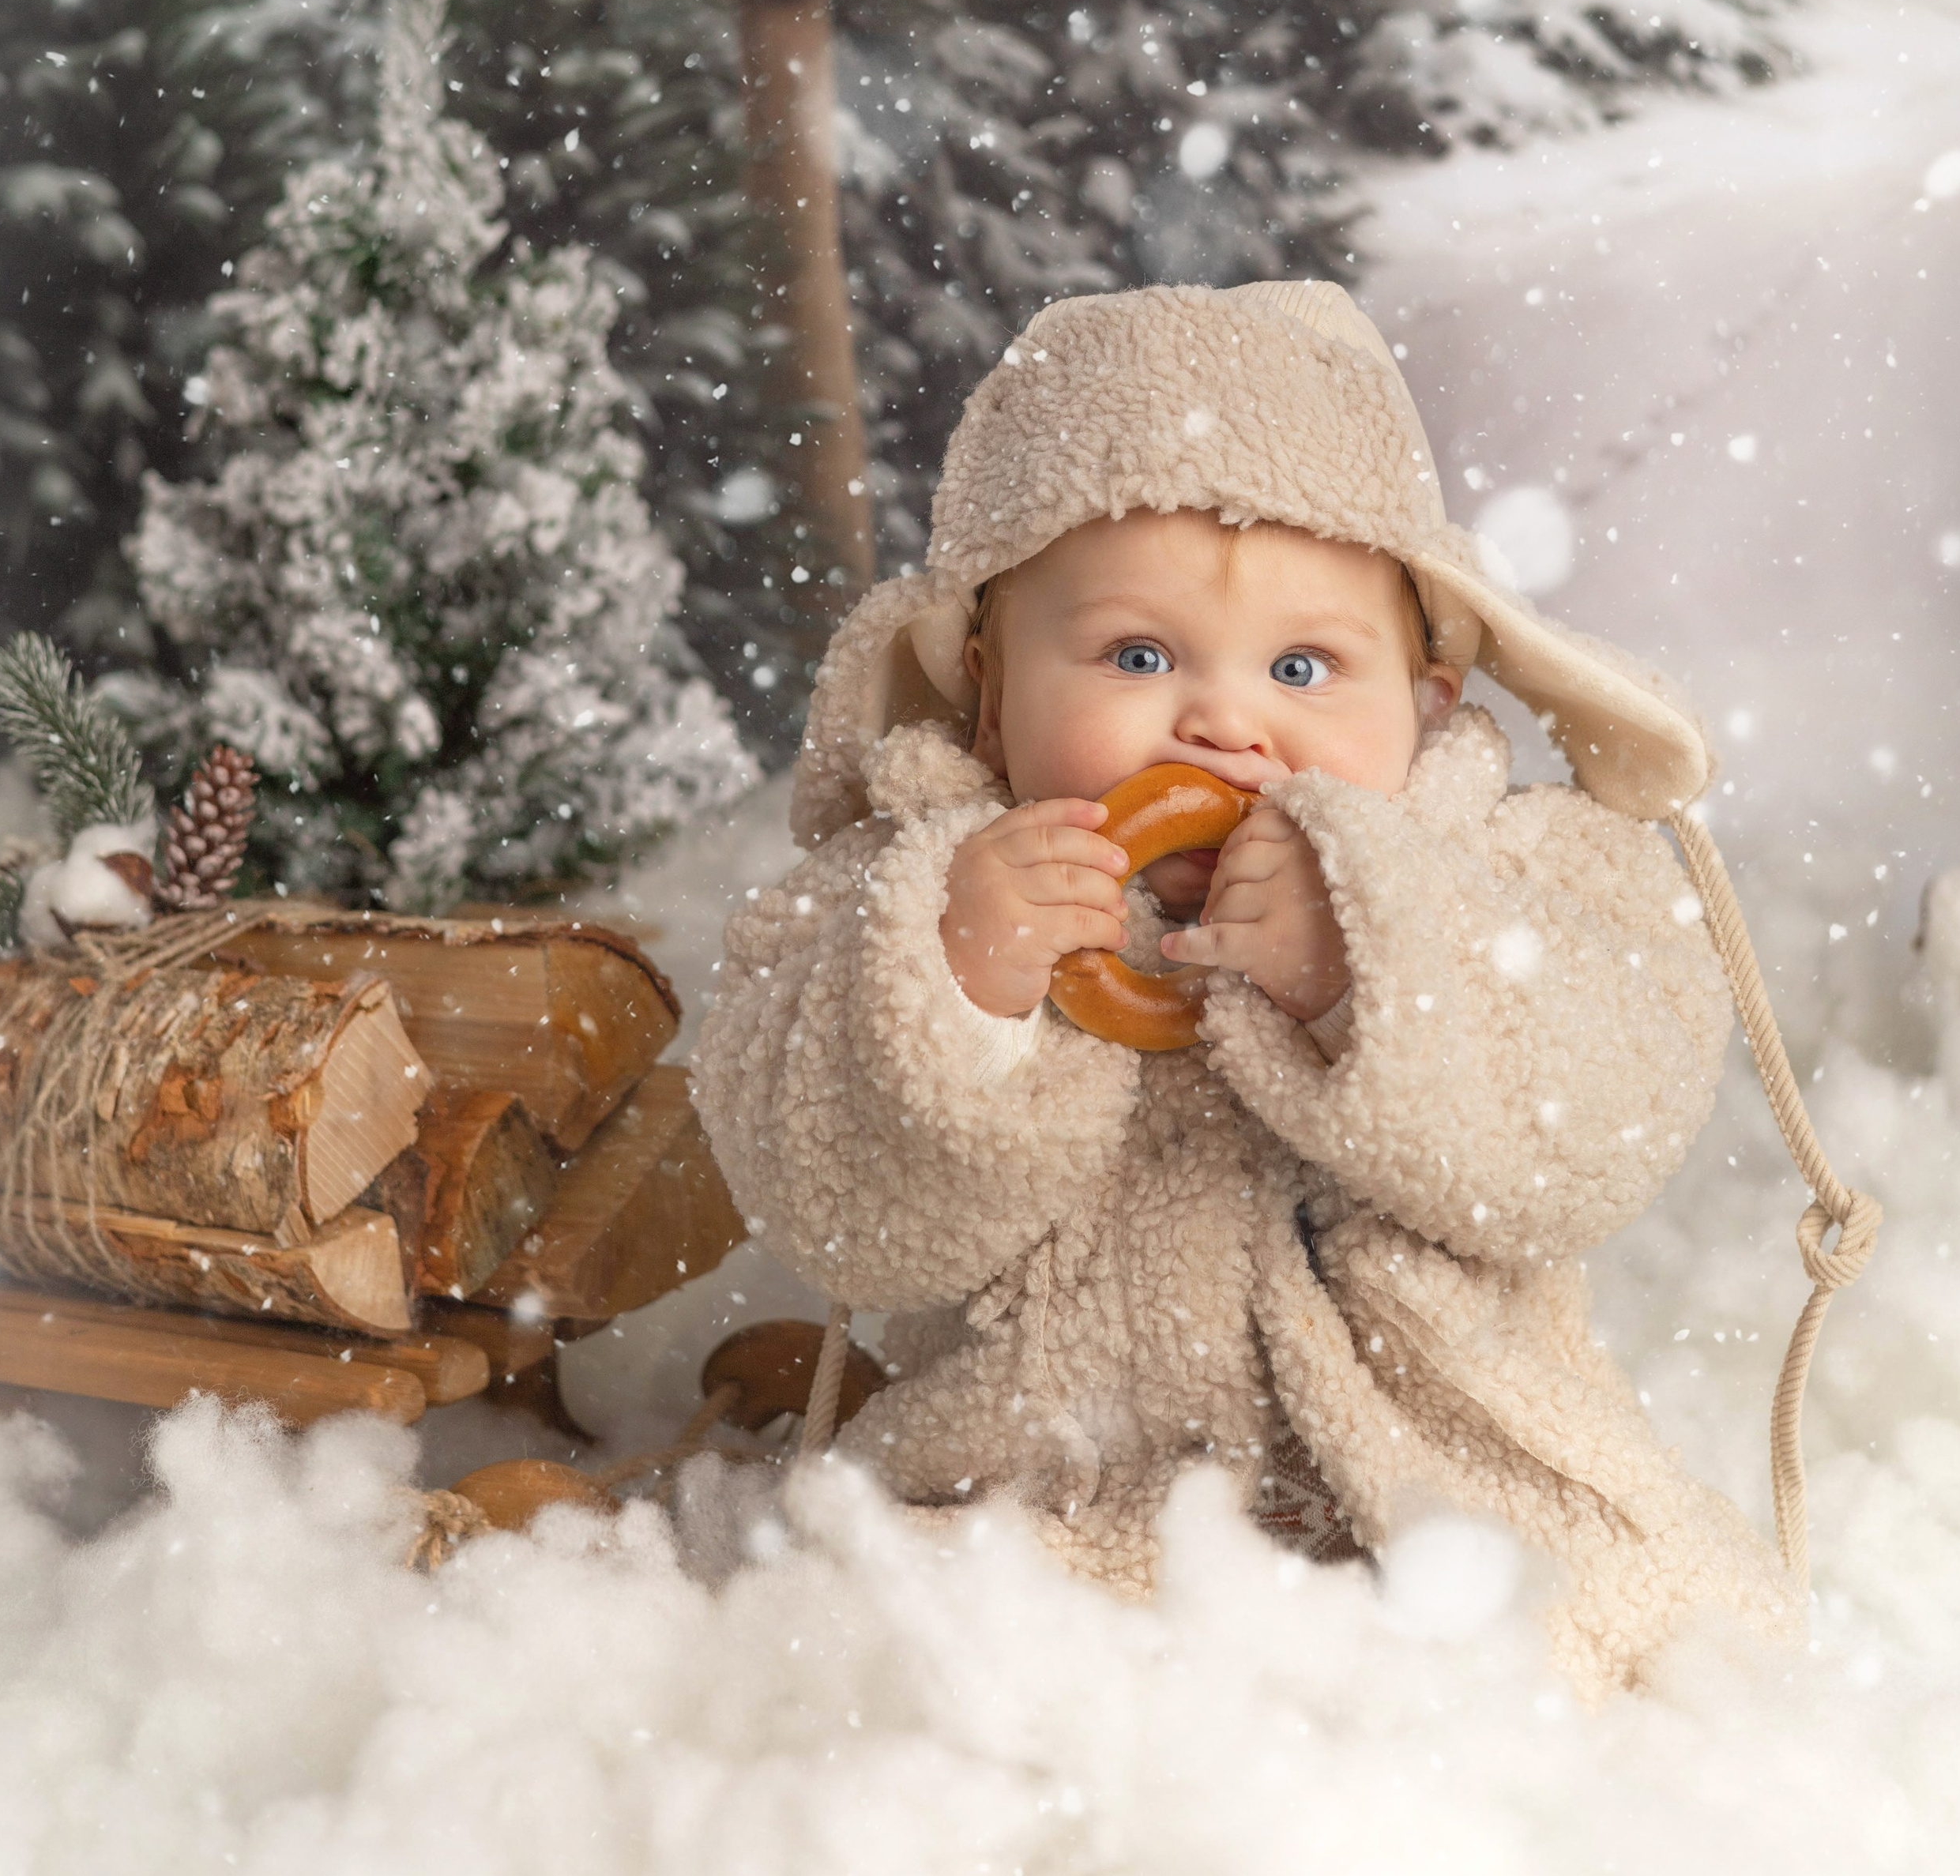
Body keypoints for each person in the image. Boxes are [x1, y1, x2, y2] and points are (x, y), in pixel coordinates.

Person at [694, 280, 1796, 1695]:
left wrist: (1374, 974)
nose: (1222, 717)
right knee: (905, 1671)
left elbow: (1593, 1133)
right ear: (987, 695)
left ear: (1432, 701)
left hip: (1448, 1490)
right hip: (1054, 1486)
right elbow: (831, 1209)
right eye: (1137, 656)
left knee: (1623, 1663)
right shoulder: (907, 891)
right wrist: (957, 991)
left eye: (1304, 665)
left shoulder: (1510, 876)